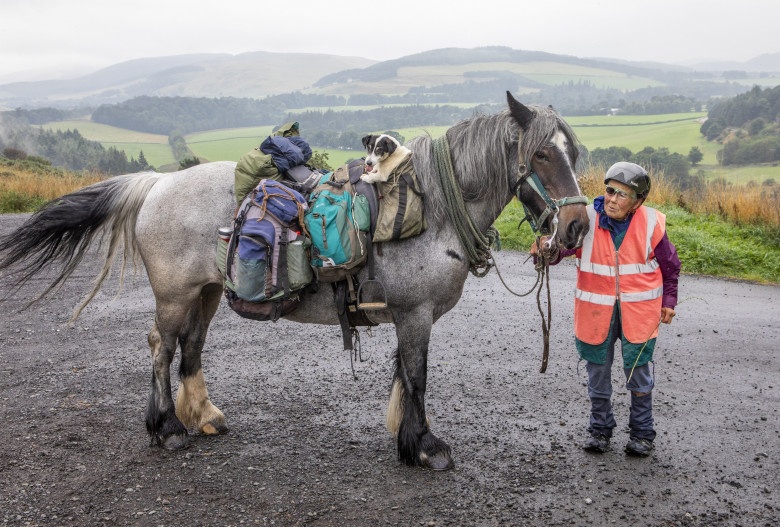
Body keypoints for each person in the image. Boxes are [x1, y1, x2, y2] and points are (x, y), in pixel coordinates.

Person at [531, 162, 681, 456]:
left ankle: (642, 433)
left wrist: (669, 302)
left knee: (639, 376)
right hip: (595, 315)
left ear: (638, 201)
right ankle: (600, 430)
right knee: (597, 377)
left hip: (638, 316)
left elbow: (670, 268)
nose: (612, 199)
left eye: (622, 195)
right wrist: (545, 252)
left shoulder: (652, 224)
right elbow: (561, 250)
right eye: (609, 190)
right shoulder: (584, 218)